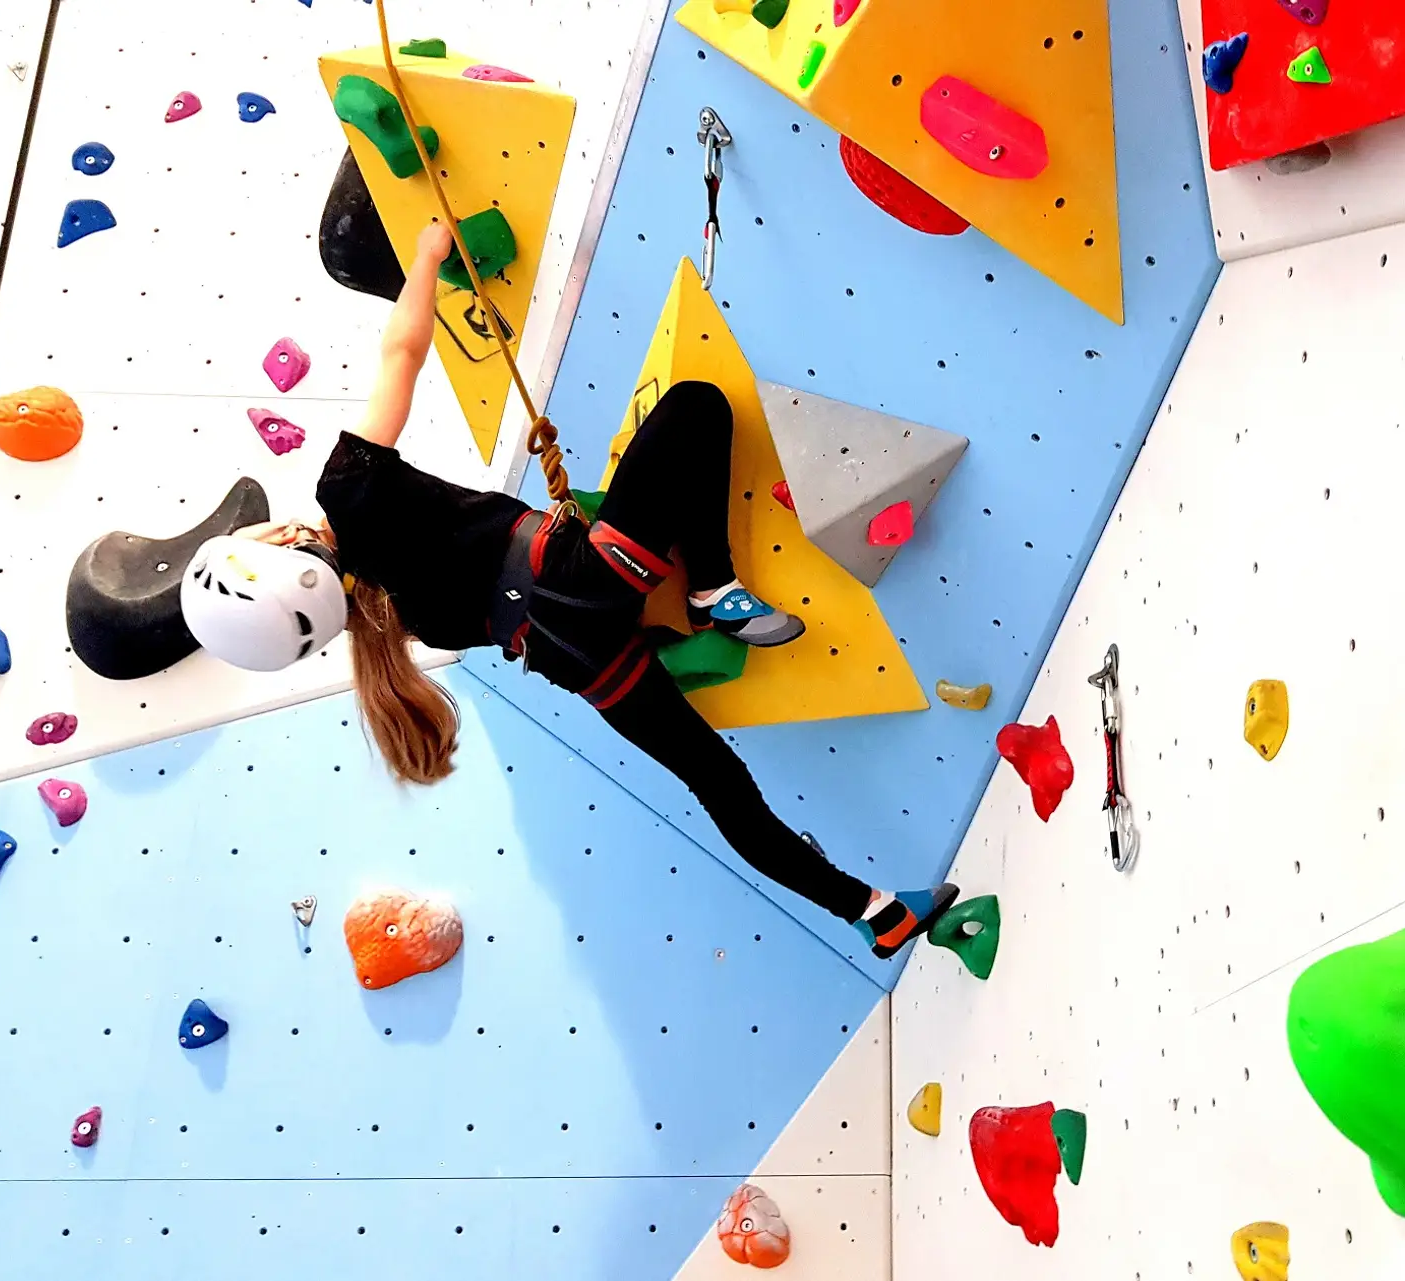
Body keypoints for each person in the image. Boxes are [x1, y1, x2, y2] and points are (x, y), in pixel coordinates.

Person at [181, 222, 956, 959]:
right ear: (281, 546)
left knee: (717, 782)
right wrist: (426, 254)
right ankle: (712, 587)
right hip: (584, 577)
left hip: (584, 661)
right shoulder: (347, 490)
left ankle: (874, 913)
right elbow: (402, 355)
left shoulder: (398, 621)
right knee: (695, 406)